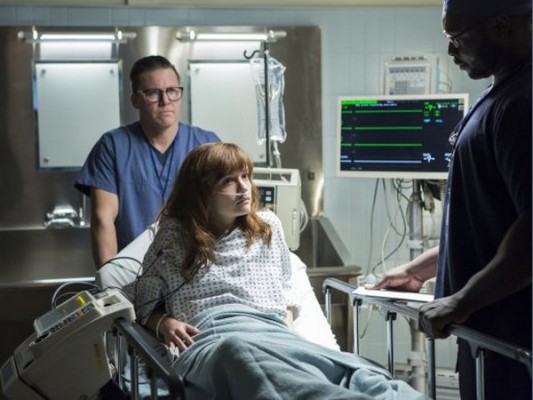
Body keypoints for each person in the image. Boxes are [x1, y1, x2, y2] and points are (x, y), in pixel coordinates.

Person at [126, 142, 428, 400]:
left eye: (245, 176)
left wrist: (287, 336)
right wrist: (163, 323)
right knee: (239, 352)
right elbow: (142, 296)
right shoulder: (174, 236)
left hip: (273, 333)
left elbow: (286, 291)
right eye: (229, 181)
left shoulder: (267, 228)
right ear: (202, 192)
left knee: (358, 375)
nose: (244, 188)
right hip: (214, 340)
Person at [369, 1, 532, 399]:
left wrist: (461, 300)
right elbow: (488, 225)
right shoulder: (498, 93)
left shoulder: (523, 103)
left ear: (500, 26)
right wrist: (421, 270)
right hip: (488, 337)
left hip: (515, 342)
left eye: (456, 38)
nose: (450, 51)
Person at [75, 55, 220, 268]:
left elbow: (223, 211)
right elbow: (102, 219)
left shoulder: (206, 145)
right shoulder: (112, 146)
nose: (165, 101)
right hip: (133, 271)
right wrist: (111, 281)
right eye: (153, 93)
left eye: (172, 91)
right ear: (135, 100)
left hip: (194, 269)